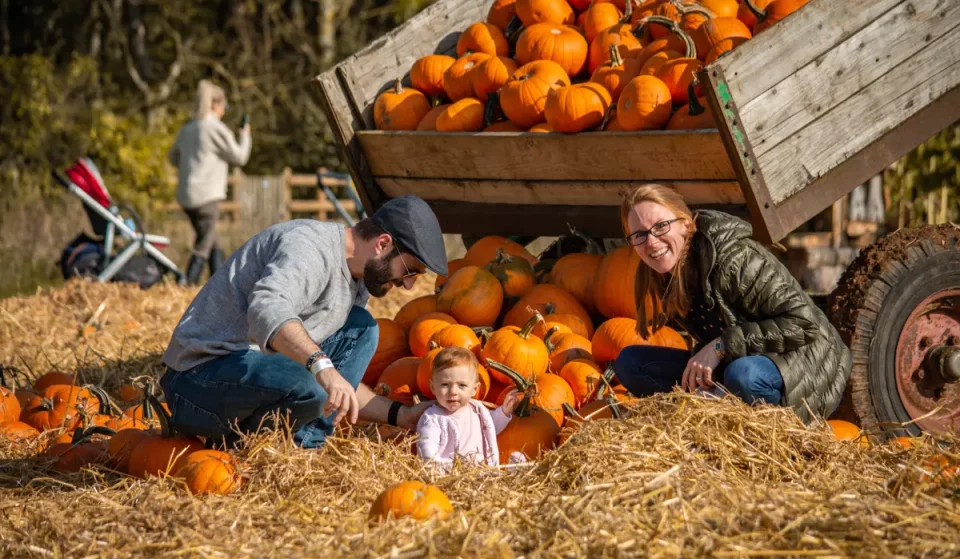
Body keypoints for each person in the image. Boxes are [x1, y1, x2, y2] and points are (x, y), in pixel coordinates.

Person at [159, 195, 447, 448]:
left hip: (253, 372)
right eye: (410, 270)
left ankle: (304, 446)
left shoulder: (356, 281)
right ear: (383, 244)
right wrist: (322, 367)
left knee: (363, 328)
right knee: (311, 382)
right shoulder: (310, 247)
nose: (409, 285)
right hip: (196, 380)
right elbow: (266, 308)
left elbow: (338, 387)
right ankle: (242, 447)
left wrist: (400, 415)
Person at [613, 184, 851, 422]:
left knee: (743, 376)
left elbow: (803, 324)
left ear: (686, 224)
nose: (651, 242)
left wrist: (721, 347)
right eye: (639, 235)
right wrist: (709, 370)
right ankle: (704, 416)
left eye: (661, 226)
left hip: (806, 362)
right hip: (742, 357)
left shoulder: (734, 258)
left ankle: (758, 422)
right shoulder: (664, 273)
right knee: (631, 363)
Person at [168, 80, 252, 285]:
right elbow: (240, 157)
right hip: (207, 197)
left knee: (213, 240)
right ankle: (186, 285)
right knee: (204, 243)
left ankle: (221, 284)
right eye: (224, 106)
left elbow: (172, 158)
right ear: (215, 104)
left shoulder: (187, 128)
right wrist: (245, 136)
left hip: (186, 196)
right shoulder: (215, 128)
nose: (224, 110)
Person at [416, 347, 520, 472]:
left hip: (484, 472)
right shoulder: (432, 419)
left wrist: (503, 412)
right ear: (433, 387)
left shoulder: (477, 410)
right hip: (454, 477)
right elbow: (427, 451)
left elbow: (490, 428)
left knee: (516, 459)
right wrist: (438, 472)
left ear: (475, 389)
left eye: (462, 385)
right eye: (445, 384)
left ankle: (515, 472)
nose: (453, 391)